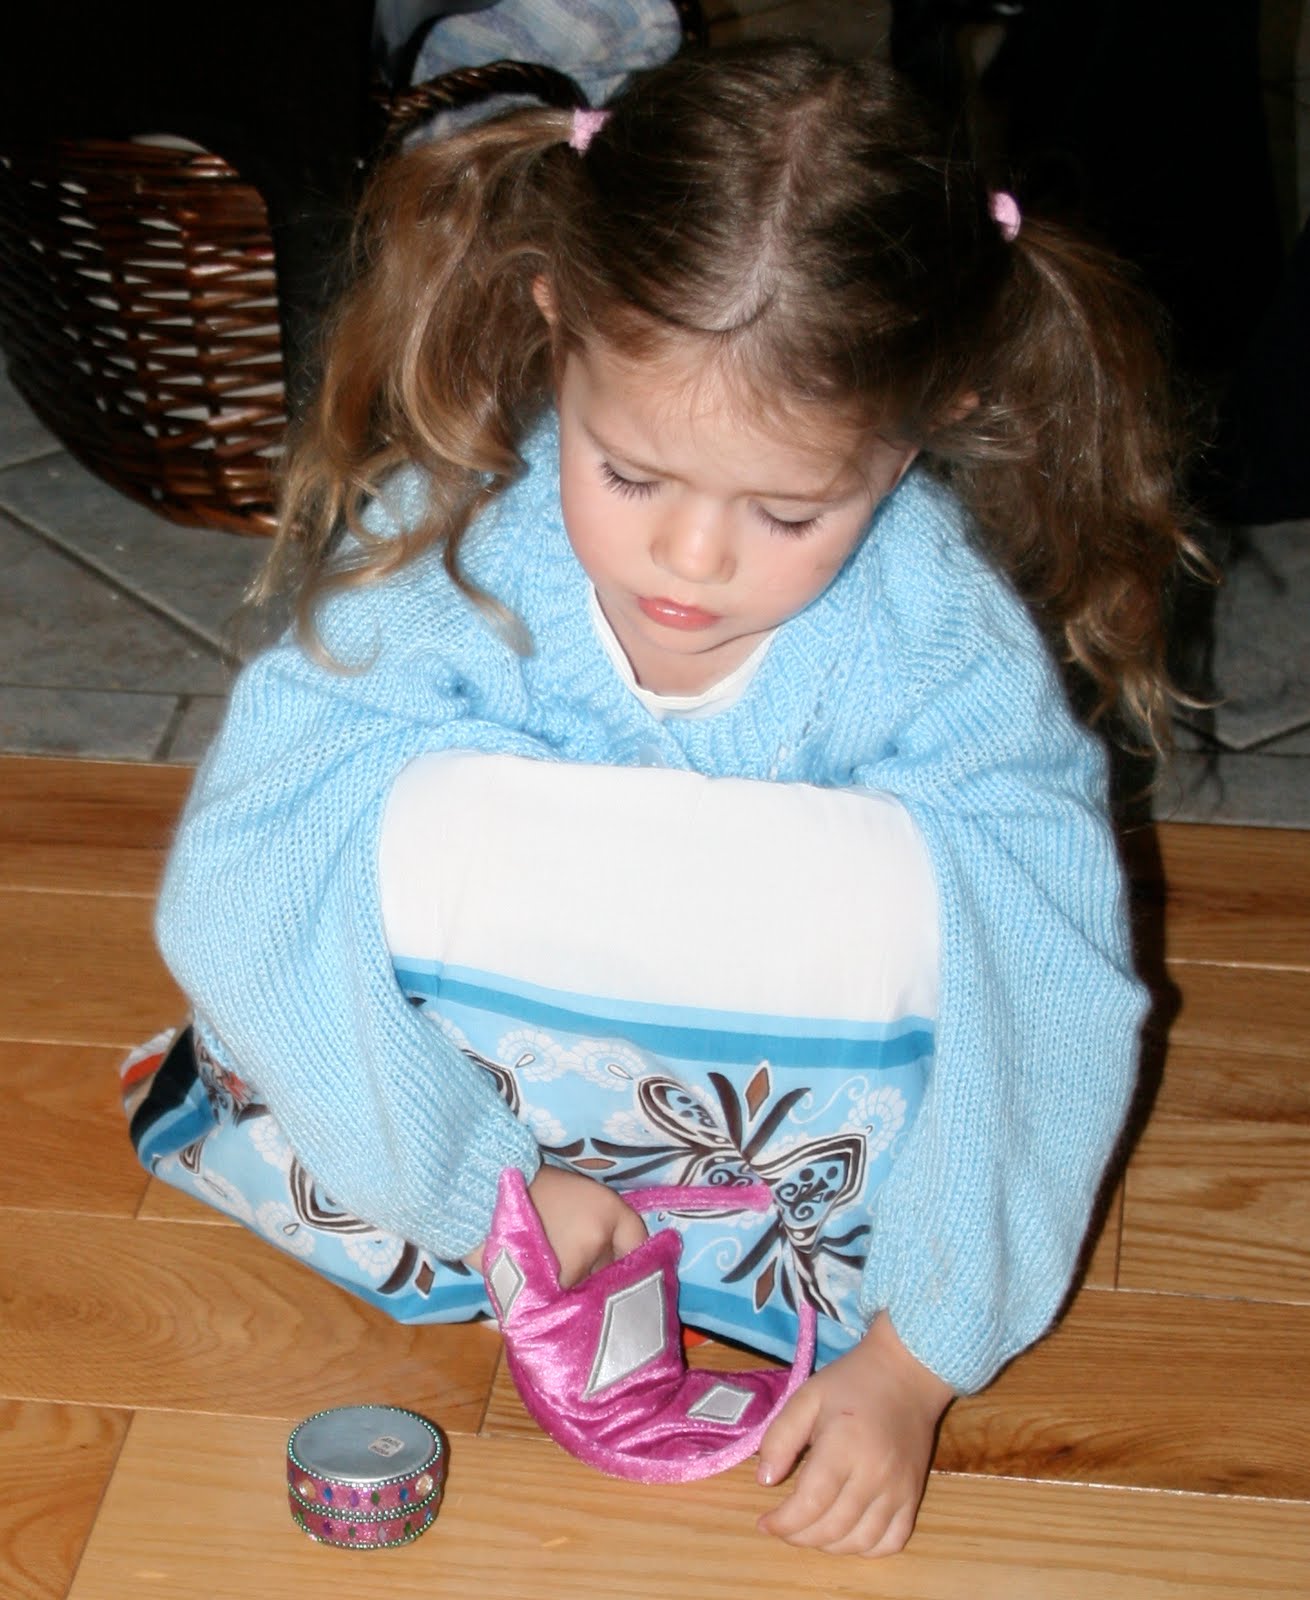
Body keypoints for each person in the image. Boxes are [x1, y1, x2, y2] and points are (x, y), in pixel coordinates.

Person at [125, 40, 1196, 1557]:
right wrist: (483, 1187)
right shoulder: (448, 551)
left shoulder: (942, 647)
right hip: (451, 1126)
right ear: (553, 318)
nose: (691, 563)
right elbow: (244, 882)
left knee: (974, 894)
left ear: (925, 421)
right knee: (321, 826)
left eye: (788, 510)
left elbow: (1051, 1000)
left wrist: (919, 1358)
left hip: (792, 1164)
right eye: (630, 476)